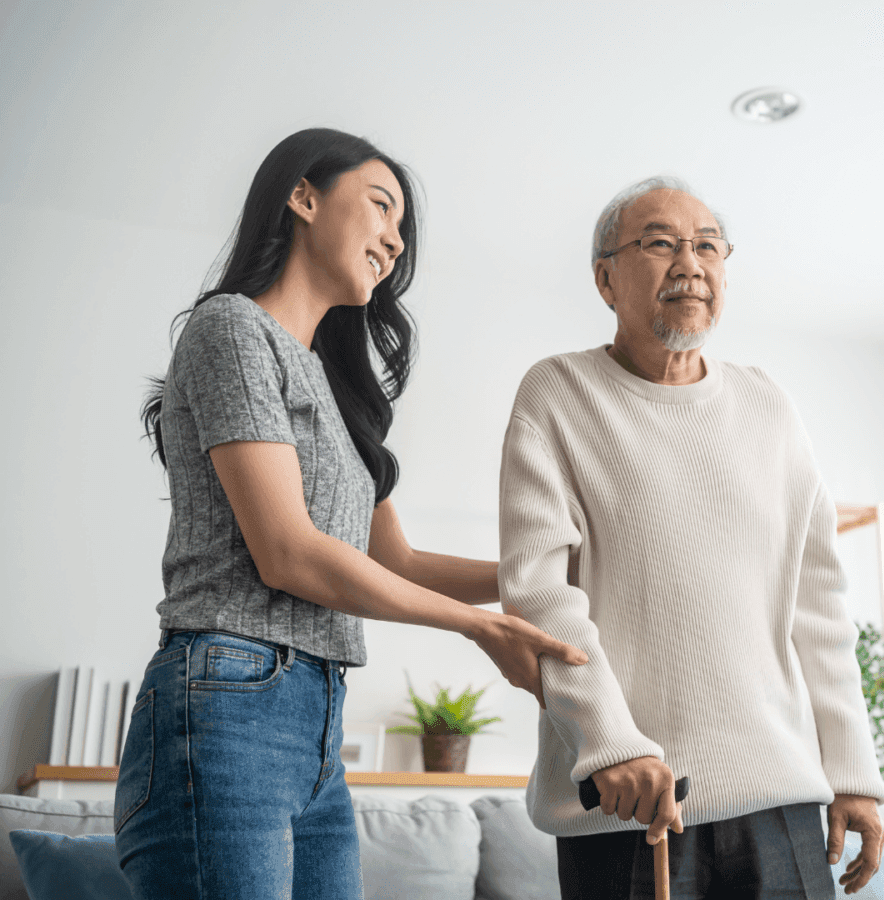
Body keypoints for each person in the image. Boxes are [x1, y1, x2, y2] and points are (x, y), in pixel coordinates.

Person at [114, 127, 588, 900]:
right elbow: (289, 554)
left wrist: (546, 576)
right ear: (303, 196)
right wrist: (480, 626)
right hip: (227, 705)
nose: (395, 242)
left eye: (402, 230)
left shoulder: (339, 393)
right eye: (381, 206)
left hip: (316, 727)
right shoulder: (231, 329)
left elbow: (396, 563)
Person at [498, 176, 884, 900]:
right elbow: (539, 594)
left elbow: (820, 604)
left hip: (781, 807)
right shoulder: (557, 393)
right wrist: (608, 745)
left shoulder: (769, 404)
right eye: (659, 242)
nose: (690, 262)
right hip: (627, 808)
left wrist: (852, 774)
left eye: (708, 244)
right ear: (605, 277)